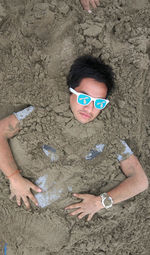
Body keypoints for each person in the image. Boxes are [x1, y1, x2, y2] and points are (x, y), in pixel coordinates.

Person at [0, 55, 148, 221]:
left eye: (99, 103)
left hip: (58, 226)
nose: (89, 108)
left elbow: (140, 180)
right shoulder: (40, 114)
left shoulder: (109, 137)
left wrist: (100, 202)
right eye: (84, 98)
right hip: (10, 209)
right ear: (71, 91)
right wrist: (14, 178)